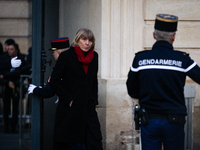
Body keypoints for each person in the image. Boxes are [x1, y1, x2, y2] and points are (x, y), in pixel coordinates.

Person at [126, 14, 200, 150]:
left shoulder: (140, 59)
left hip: (149, 120)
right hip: (174, 121)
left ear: (154, 35)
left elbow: (131, 89)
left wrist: (145, 95)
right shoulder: (182, 60)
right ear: (174, 37)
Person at [49, 28, 103, 150]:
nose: (87, 43)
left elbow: (93, 81)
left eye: (90, 40)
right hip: (70, 109)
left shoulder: (94, 56)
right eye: (84, 39)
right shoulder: (67, 56)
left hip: (87, 108)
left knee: (94, 142)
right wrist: (69, 99)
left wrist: (94, 100)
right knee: (65, 142)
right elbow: (54, 81)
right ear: (77, 40)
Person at [1, 43, 26, 133]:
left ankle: (14, 126)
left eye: (12, 49)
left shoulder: (21, 58)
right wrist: (7, 80)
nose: (9, 51)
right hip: (6, 85)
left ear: (16, 50)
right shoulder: (4, 58)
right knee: (6, 107)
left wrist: (7, 77)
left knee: (15, 107)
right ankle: (6, 127)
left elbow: (21, 71)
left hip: (16, 84)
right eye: (9, 49)